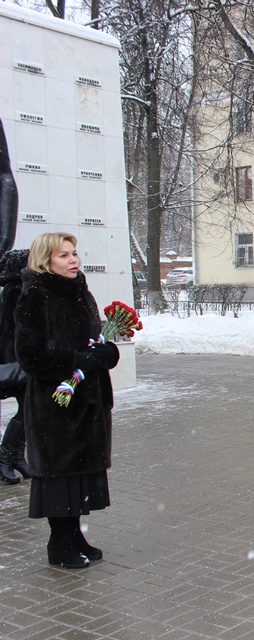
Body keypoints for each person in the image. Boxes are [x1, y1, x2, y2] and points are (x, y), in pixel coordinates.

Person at [16, 233, 120, 568]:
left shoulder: (80, 291)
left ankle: (75, 535)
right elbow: (30, 357)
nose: (73, 260)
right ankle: (58, 543)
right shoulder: (35, 296)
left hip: (88, 404)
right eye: (64, 255)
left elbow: (95, 339)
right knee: (60, 476)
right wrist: (73, 360)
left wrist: (108, 353)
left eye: (74, 253)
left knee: (79, 476)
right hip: (56, 406)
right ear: (46, 261)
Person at [0, 249, 29, 484]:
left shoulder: (18, 289)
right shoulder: (17, 290)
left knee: (27, 408)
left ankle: (16, 457)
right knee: (27, 409)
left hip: (21, 358)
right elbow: (12, 330)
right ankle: (5, 457)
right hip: (19, 360)